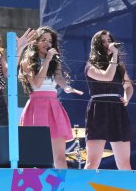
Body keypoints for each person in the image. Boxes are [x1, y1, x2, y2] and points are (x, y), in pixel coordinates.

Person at [18, 26, 83, 169]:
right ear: (36, 42)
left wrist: (66, 87)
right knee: (37, 157)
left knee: (60, 158)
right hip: (36, 107)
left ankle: (63, 187)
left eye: (50, 41)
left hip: (53, 106)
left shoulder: (55, 61)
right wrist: (47, 60)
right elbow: (36, 82)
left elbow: (59, 78)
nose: (47, 43)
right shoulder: (26, 62)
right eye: (43, 40)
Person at [84, 30, 133, 170]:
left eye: (109, 40)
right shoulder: (90, 66)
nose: (107, 44)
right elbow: (107, 76)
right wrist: (115, 55)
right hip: (98, 108)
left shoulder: (119, 67)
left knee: (125, 163)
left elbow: (128, 86)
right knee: (92, 162)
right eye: (103, 41)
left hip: (117, 110)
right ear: (97, 45)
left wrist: (126, 97)